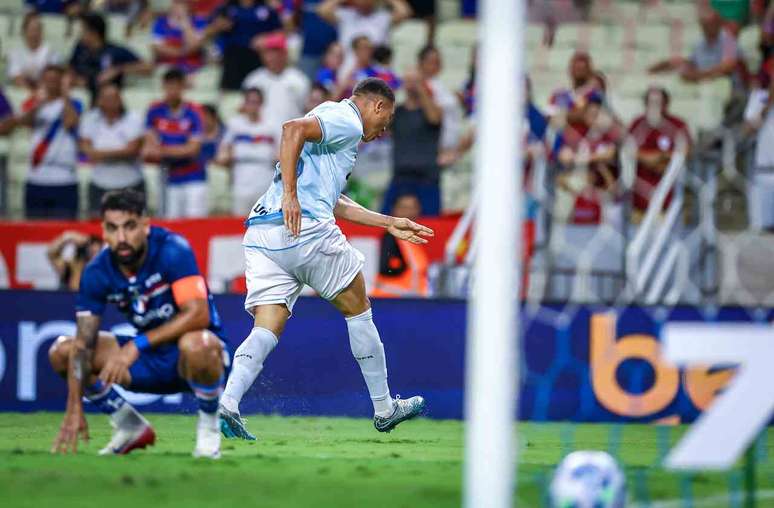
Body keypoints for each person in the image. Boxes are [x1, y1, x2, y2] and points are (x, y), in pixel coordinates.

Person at [218, 78, 432, 440]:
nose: (384, 130)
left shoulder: (330, 126)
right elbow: (290, 129)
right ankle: (384, 408)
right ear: (377, 107)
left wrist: (389, 222)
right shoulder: (346, 119)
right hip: (304, 229)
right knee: (358, 307)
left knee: (267, 325)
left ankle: (228, 403)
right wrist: (290, 195)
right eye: (388, 119)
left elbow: (334, 200)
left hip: (263, 234)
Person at [49, 189, 229, 458]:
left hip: (195, 358)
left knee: (198, 343)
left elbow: (198, 315)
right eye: (112, 228)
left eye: (130, 227)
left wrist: (136, 345)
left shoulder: (172, 249)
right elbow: (84, 347)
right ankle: (128, 425)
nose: (121, 238)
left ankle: (209, 430)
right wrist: (74, 406)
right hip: (148, 361)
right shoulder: (96, 271)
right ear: (104, 230)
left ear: (145, 225)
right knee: (63, 351)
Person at [12, 65, 83, 219]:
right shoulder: (34, 104)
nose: (51, 83)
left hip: (64, 179)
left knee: (64, 230)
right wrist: (39, 102)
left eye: (55, 80)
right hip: (36, 177)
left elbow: (70, 122)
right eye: (47, 80)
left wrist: (65, 93)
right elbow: (23, 122)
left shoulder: (74, 104)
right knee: (34, 232)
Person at [143, 68, 207, 218]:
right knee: (170, 222)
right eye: (168, 86)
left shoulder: (194, 111)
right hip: (168, 177)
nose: (172, 91)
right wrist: (175, 150)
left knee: (195, 223)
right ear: (163, 87)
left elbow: (193, 149)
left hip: (194, 177)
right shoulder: (154, 111)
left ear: (182, 87)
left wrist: (163, 151)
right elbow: (149, 145)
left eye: (176, 86)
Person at [382, 70, 443, 216]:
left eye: (415, 81)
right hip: (401, 175)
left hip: (427, 177)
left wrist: (421, 91)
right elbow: (381, 125)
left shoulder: (432, 109)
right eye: (408, 81)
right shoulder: (397, 112)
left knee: (430, 223)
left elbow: (435, 119)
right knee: (385, 218)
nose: (412, 85)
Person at [80, 83, 146, 216]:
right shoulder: (89, 119)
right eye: (107, 98)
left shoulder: (134, 118)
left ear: (121, 99)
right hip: (99, 184)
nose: (111, 102)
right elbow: (87, 150)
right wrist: (120, 152)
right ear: (100, 100)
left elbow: (132, 150)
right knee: (97, 228)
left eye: (114, 97)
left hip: (130, 184)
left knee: (132, 227)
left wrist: (99, 153)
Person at [627, 87, 691, 221]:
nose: (654, 107)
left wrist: (661, 157)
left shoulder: (677, 125)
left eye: (658, 103)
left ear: (666, 104)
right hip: (641, 205)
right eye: (651, 103)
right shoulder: (638, 124)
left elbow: (686, 150)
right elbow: (628, 150)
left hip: (670, 204)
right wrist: (649, 158)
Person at [216, 88, 279, 216]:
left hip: (265, 176)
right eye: (250, 102)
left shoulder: (272, 125)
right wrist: (227, 157)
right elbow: (223, 151)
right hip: (241, 176)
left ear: (261, 104)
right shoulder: (234, 124)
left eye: (256, 102)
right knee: (239, 220)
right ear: (244, 103)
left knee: (264, 219)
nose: (253, 106)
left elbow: (279, 151)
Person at [69, 12, 152, 100]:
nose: (79, 33)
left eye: (82, 30)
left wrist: (118, 69)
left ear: (93, 33)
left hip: (108, 99)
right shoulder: (80, 48)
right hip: (82, 95)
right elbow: (70, 68)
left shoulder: (115, 51)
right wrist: (76, 80)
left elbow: (148, 67)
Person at [242, 33, 311, 136]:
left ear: (285, 54)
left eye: (277, 52)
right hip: (260, 139)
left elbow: (307, 111)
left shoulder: (299, 80)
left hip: (291, 137)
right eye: (269, 52)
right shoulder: (253, 80)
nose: (273, 56)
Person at [207, 0, 283, 91]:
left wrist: (266, 39)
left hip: (257, 57)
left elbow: (280, 33)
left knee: (257, 90)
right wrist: (218, 26)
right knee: (231, 92)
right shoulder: (226, 8)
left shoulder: (266, 8)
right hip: (232, 59)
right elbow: (208, 31)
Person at [317, 0, 412, 71]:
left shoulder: (383, 17)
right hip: (347, 71)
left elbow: (404, 12)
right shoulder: (346, 15)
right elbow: (323, 10)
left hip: (375, 72)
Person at [372, 193, 429, 298]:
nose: (408, 212)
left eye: (413, 208)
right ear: (394, 210)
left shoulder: (413, 240)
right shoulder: (391, 238)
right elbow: (387, 268)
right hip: (390, 300)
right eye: (404, 207)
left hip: (411, 300)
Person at [151, 0, 211, 75]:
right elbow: (157, 48)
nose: (179, 6)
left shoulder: (199, 21)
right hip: (166, 65)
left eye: (183, 3)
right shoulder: (161, 22)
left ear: (190, 5)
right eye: (177, 2)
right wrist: (183, 52)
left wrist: (185, 23)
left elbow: (195, 46)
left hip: (193, 66)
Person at [7, 12, 61, 90]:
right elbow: (16, 78)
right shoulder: (15, 53)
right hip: (23, 94)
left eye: (37, 29)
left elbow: (52, 79)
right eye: (32, 29)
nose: (35, 33)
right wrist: (32, 93)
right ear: (24, 31)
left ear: (42, 31)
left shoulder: (51, 52)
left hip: (45, 93)